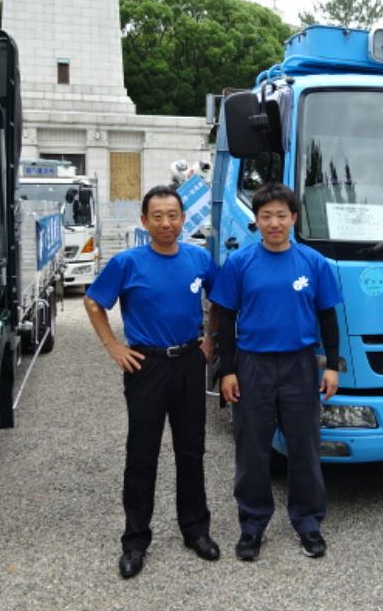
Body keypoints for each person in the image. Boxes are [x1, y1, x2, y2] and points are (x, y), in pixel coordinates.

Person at [84, 185, 220, 579]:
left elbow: (222, 299)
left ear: (182, 219)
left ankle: (195, 530)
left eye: (172, 215)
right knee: (142, 455)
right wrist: (113, 346)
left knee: (191, 450)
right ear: (144, 221)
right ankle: (135, 540)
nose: (166, 223)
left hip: (189, 363)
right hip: (146, 367)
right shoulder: (128, 262)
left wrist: (210, 338)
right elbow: (94, 303)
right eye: (157, 216)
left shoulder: (198, 258)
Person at [210, 181, 343, 561]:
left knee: (304, 448)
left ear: (294, 218)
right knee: (252, 451)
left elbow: (328, 317)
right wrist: (228, 371)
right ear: (256, 220)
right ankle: (252, 526)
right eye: (266, 216)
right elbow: (226, 320)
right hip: (253, 366)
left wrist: (331, 367)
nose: (274, 223)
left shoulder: (314, 263)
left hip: (301, 365)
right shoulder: (240, 263)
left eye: (281, 216)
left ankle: (308, 523)